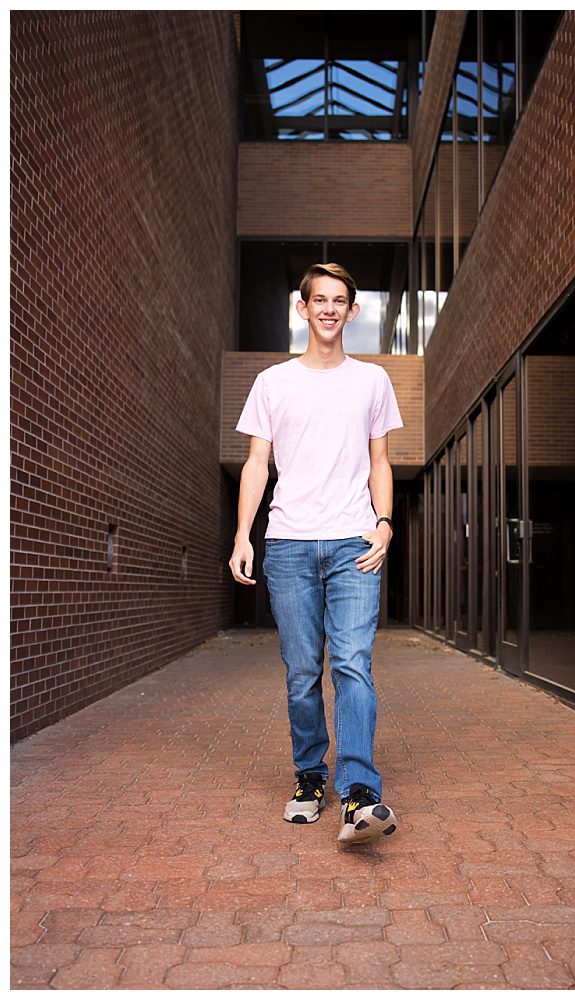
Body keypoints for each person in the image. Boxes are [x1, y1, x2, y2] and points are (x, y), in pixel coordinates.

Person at [229, 262, 403, 846]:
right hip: (288, 545)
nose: (328, 309)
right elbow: (257, 464)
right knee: (303, 672)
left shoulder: (373, 381)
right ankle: (309, 777)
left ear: (353, 312)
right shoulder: (273, 383)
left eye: (339, 301)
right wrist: (241, 537)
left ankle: (360, 791)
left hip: (356, 542)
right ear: (302, 309)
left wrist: (383, 524)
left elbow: (381, 461)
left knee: (353, 664)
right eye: (318, 300)